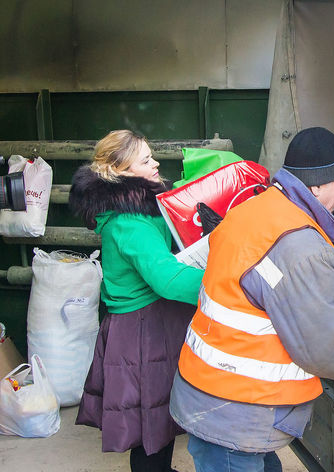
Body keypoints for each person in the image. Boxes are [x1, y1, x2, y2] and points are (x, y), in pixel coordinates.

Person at [169, 127, 334, 472]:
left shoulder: (256, 208)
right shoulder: (301, 247)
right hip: (239, 409)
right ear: (316, 185)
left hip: (213, 393)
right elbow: (324, 346)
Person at [68, 130, 203, 472]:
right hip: (142, 330)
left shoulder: (141, 209)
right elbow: (168, 280)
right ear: (121, 172)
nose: (156, 163)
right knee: (150, 426)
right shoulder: (130, 223)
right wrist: (227, 283)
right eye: (145, 160)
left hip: (149, 324)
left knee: (158, 417)